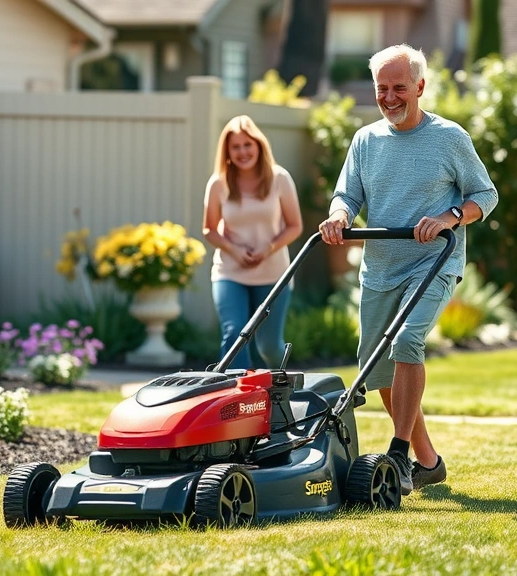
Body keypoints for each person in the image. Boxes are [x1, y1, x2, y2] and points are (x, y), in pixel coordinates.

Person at [318, 44, 498, 495]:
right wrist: (340, 216)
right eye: (383, 88)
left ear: (420, 86)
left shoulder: (449, 137)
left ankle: (398, 454)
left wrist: (450, 217)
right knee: (379, 367)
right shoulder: (366, 140)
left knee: (406, 341)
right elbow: (347, 195)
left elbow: (486, 195)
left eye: (400, 87)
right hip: (381, 266)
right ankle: (429, 462)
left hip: (433, 260)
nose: (391, 96)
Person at [203, 115, 303, 369]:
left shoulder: (280, 178)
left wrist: (268, 248)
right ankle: (238, 398)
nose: (242, 152)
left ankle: (284, 391)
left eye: (247, 145)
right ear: (227, 152)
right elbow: (209, 230)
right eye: (235, 147)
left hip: (273, 274)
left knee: (268, 346)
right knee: (235, 333)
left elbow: (295, 226)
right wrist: (235, 251)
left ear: (259, 145)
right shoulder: (218, 184)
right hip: (230, 272)